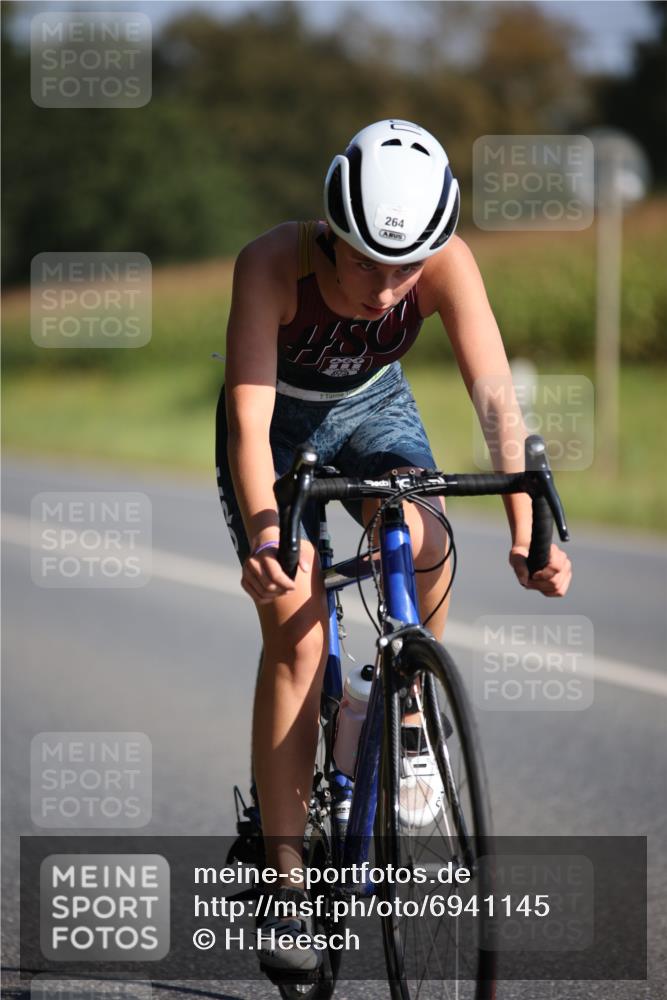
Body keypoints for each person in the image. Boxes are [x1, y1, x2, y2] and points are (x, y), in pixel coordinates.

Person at [215, 119, 572, 972]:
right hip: (279, 429)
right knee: (298, 632)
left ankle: (405, 709)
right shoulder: (271, 264)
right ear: (331, 233)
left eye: (403, 268)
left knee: (419, 532)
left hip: (374, 409)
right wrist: (268, 535)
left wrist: (528, 526)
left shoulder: (446, 262)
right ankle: (285, 885)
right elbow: (248, 424)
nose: (385, 289)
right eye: (367, 262)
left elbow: (494, 395)